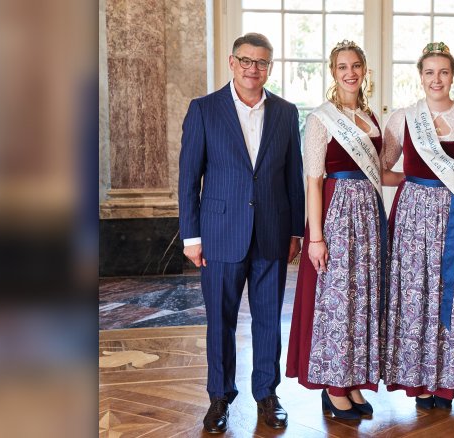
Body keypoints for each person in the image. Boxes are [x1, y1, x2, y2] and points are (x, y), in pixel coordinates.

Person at [178, 32, 304, 433]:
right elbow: (187, 178)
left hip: (272, 230)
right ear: (232, 63)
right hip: (218, 233)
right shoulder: (204, 110)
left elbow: (293, 178)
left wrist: (296, 231)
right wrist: (190, 236)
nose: (254, 69)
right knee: (221, 320)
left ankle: (267, 394)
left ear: (270, 66)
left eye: (262, 62)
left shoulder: (285, 112)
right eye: (246, 61)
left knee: (269, 318)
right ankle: (220, 397)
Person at [286, 40, 398, 420]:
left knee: (360, 298)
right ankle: (334, 386)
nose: (350, 72)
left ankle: (351, 381)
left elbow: (380, 172)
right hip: (335, 214)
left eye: (355, 66)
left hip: (368, 215)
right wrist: (315, 237)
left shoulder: (370, 117)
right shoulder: (321, 118)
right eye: (341, 67)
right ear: (333, 73)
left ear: (365, 70)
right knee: (336, 301)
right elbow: (313, 180)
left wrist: (425, 177)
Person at [381, 42, 454, 410]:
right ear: (420, 76)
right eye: (429, 72)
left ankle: (446, 381)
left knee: (452, 293)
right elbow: (380, 168)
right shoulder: (403, 117)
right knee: (414, 295)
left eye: (443, 72)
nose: (436, 79)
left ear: (453, 75)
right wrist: (415, 182)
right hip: (413, 216)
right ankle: (418, 378)